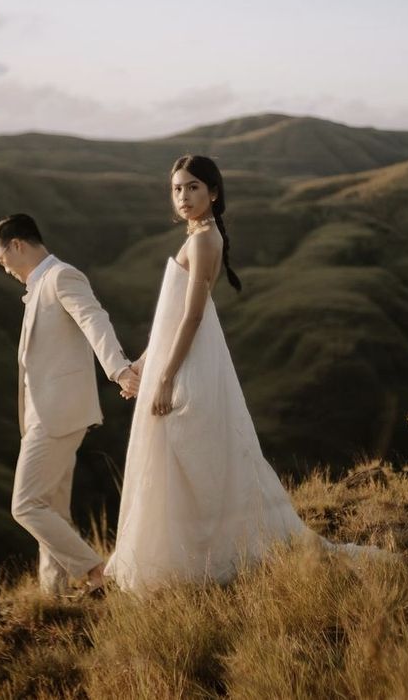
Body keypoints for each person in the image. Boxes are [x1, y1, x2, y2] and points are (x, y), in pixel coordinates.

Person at [105, 156, 378, 595]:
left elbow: (191, 318)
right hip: (180, 357)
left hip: (189, 364)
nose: (183, 197)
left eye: (193, 188)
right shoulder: (197, 236)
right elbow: (171, 317)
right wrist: (142, 364)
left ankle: (205, 558)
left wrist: (166, 376)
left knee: (193, 461)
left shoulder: (204, 240)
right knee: (184, 461)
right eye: (177, 189)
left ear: (213, 192)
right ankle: (191, 558)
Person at [0, 213, 140, 597]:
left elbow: (94, 319)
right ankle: (51, 594)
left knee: (25, 506)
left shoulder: (61, 277)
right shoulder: (39, 285)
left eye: (1, 258)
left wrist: (118, 369)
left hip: (56, 417)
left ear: (17, 245)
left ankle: (97, 572)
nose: (3, 268)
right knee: (51, 510)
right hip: (44, 415)